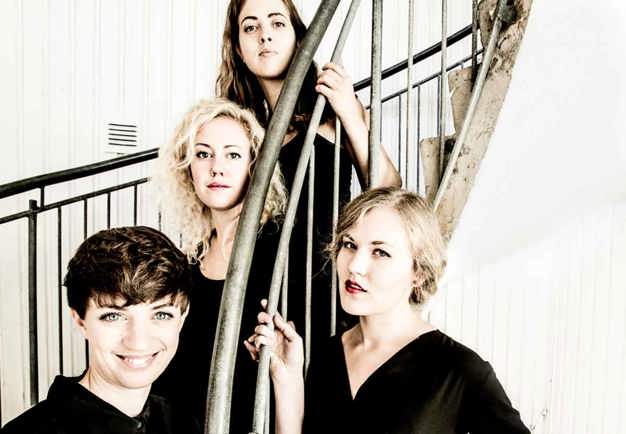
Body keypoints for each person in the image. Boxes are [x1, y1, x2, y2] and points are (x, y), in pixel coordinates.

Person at [246, 187, 531, 434]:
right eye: (349, 245)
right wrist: (288, 381)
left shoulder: (458, 371)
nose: (355, 266)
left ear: (417, 272)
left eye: (380, 252)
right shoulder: (328, 357)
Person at [217, 0, 403, 358]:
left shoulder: (329, 111)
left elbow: (388, 188)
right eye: (250, 27)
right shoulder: (240, 128)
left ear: (299, 38)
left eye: (277, 24)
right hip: (261, 291)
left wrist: (349, 109)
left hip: (321, 290)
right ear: (238, 49)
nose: (265, 36)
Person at [151, 98, 286, 432]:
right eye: (203, 153)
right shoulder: (190, 257)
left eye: (233, 154)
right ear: (187, 168)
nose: (217, 167)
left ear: (254, 166)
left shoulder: (279, 244)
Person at [0, 226, 198, 434]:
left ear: (182, 318)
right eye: (114, 316)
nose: (139, 342)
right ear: (80, 320)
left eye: (161, 315)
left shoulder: (183, 423)